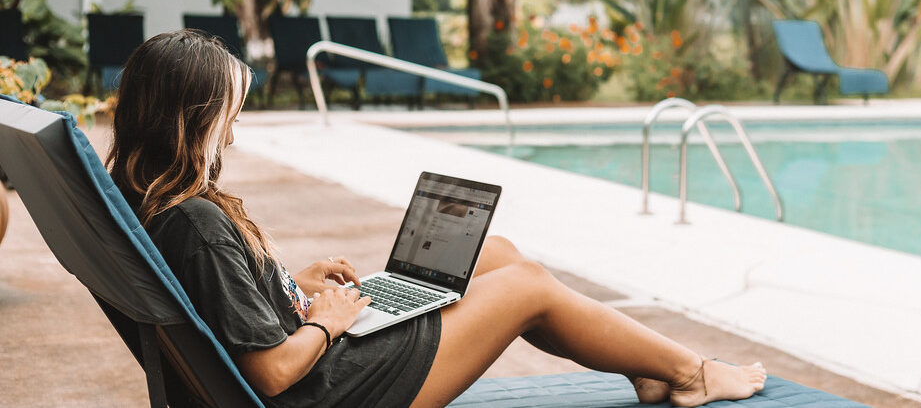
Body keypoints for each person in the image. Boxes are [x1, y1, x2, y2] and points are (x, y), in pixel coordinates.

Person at [106, 29, 767, 408]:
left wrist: (288, 285)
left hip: (311, 353)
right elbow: (271, 373)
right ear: (193, 118)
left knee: (497, 251)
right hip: (325, 390)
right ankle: (689, 373)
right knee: (526, 285)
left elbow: (222, 307)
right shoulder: (195, 223)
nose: (237, 123)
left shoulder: (153, 206)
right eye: (231, 111)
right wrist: (329, 322)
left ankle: (645, 368)